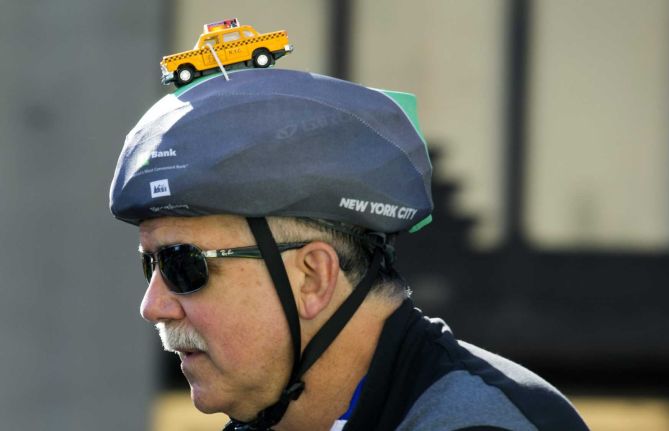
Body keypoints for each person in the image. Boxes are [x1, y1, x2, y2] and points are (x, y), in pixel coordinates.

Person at [109, 69, 589, 431]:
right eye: (150, 264)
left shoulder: (478, 423)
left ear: (312, 277)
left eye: (182, 265)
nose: (153, 306)